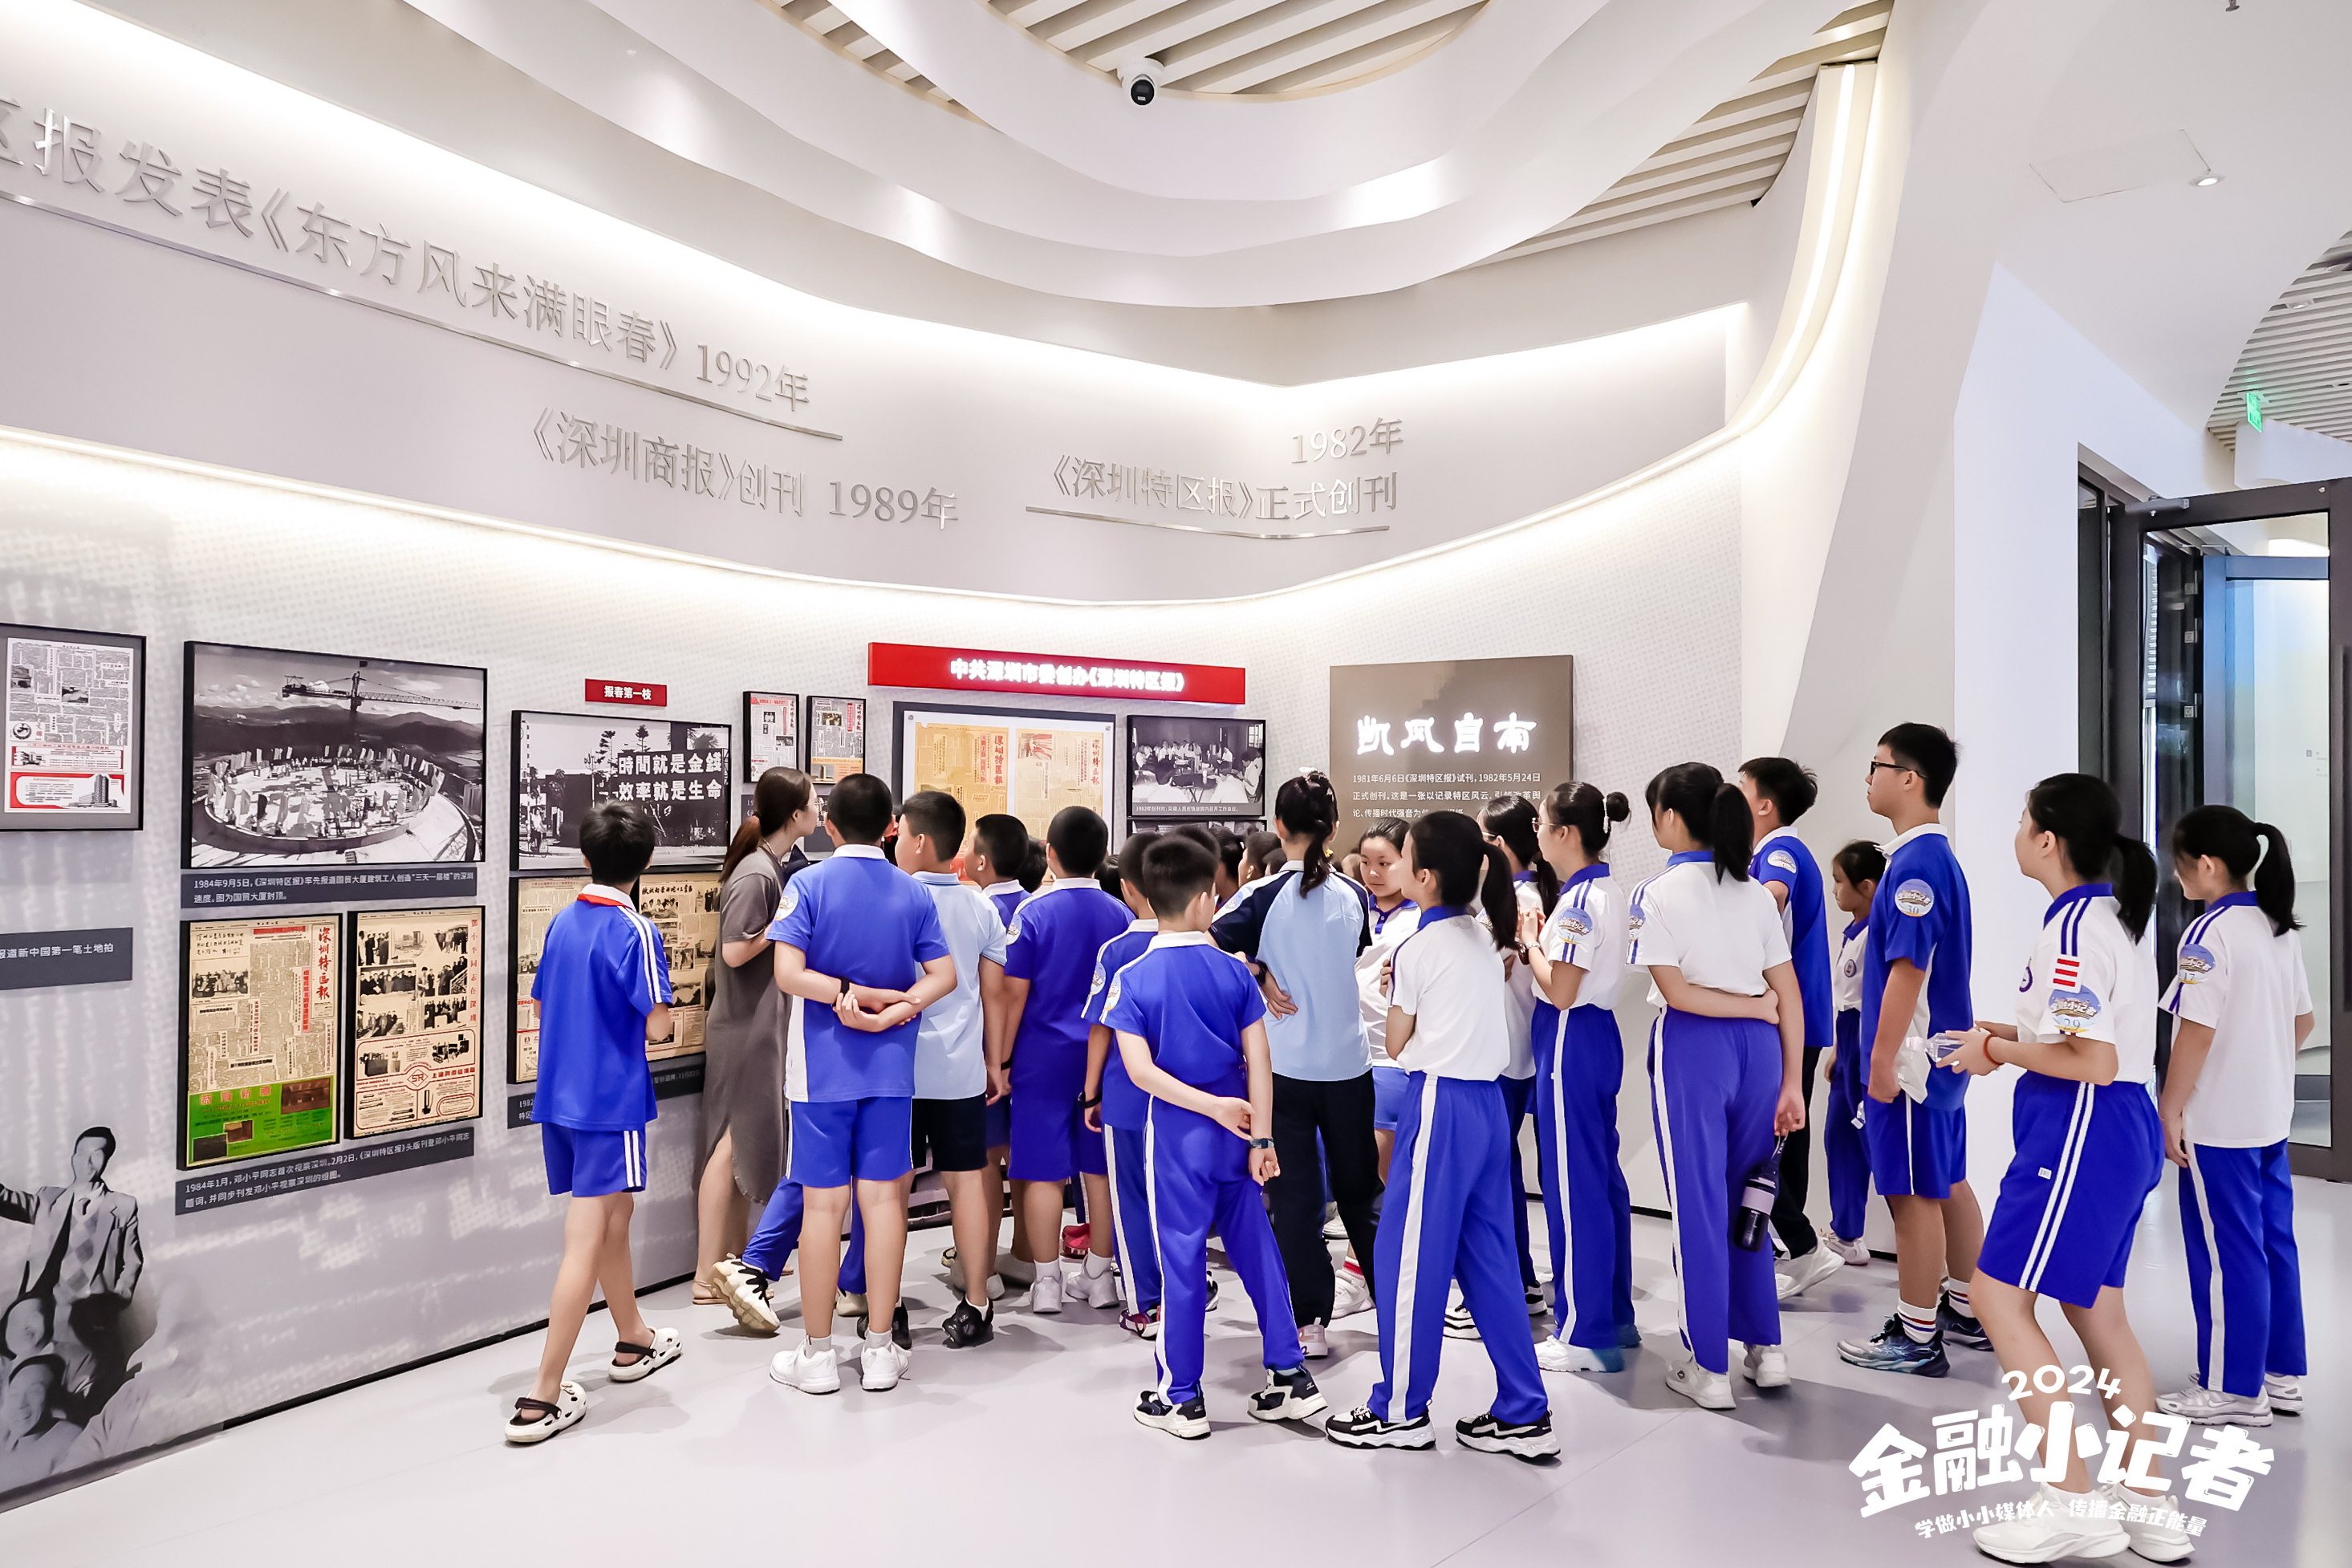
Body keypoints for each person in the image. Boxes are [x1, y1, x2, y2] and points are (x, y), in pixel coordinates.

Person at [1946, 774, 2186, 1566]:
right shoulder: (2105, 916)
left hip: (2079, 1132)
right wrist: (2004, 1037)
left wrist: (1996, 1050)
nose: (2015, 832)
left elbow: (2092, 1059)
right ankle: (2146, 1502)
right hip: (2113, 1129)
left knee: (1994, 1295)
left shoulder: (2074, 929)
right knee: (2098, 1313)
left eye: (2022, 820)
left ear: (2047, 839)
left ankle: (2071, 1501)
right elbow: (2085, 1038)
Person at [1324, 810, 1557, 1459]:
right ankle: (1524, 1409)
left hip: (1440, 1107)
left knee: (1406, 1259)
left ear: (1424, 875)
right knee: (1490, 1263)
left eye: (1400, 857)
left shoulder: (1419, 947)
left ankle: (1399, 1410)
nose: (1391, 867)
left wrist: (1399, 993)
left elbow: (1397, 1043)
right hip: (1487, 1109)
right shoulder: (1484, 935)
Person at [1102, 834, 1325, 1438]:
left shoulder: (1132, 976)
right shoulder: (1234, 971)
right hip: (1242, 1138)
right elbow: (1261, 1060)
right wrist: (1262, 1138)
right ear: (1205, 899)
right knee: (1258, 1253)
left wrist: (1210, 1108)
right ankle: (1289, 1373)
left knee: (1181, 1261)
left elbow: (1140, 1072)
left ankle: (1181, 1396)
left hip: (1177, 1140)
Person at [763, 773, 957, 1397]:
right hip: (890, 1070)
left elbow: (788, 973)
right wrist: (897, 1007)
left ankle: (818, 1355)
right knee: (883, 1206)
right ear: (891, 827)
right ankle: (878, 1349)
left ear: (829, 825)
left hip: (820, 1072)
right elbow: (944, 976)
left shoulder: (807, 884)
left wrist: (848, 994)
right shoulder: (911, 891)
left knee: (823, 1207)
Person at [1626, 764, 1805, 1410]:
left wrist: (1751, 1008)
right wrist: (1793, 1081)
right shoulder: (1753, 891)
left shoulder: (1654, 893)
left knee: (1697, 1207)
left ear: (1670, 818)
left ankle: (1707, 1367)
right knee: (1750, 1198)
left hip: (1693, 1049)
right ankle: (1765, 1349)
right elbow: (1787, 993)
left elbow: (1677, 994)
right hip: (1762, 1056)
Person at [510, 799, 683, 1445]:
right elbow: (658, 1026)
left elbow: (543, 1005)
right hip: (611, 1104)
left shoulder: (561, 922)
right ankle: (542, 1395)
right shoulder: (636, 929)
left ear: (584, 858)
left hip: (560, 1099)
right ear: (645, 864)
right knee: (585, 1237)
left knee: (614, 1214)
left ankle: (633, 1336)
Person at [1838, 722, 1988, 1378]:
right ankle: (1967, 1308)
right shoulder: (1929, 858)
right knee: (1946, 1181)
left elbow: (1907, 969)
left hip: (1910, 1064)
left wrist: (1880, 1062)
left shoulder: (1915, 865)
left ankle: (1917, 1334)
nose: (1867, 778)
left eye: (1875, 766)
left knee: (1911, 1196)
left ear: (1908, 778)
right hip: (1938, 1058)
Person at [1213, 772, 1379, 1360]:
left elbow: (1206, 945)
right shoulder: (1354, 895)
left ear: (1277, 827)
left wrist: (1256, 971)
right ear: (1333, 830)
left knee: (1296, 1201)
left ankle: (1309, 1322)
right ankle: (1398, 1308)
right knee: (1362, 1195)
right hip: (1350, 1067)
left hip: (1283, 1071)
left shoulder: (1258, 895)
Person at [2155, 804, 2310, 1426]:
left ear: (2207, 866)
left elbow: (2195, 1031)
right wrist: (2261, 1066)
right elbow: (2303, 1021)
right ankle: (2279, 1375)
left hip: (2218, 1124)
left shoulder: (2207, 934)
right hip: (2269, 1116)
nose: (2176, 877)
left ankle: (2233, 1389)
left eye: (2179, 865)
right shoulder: (2277, 926)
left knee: (2226, 1252)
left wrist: (2170, 1107)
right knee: (2273, 1243)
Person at [993, 806, 1132, 1313]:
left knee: (1043, 1170)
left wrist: (1001, 1061)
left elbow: (1013, 996)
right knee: (1100, 1170)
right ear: (1103, 855)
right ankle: (1099, 1275)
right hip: (1107, 1058)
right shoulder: (1123, 916)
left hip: (1041, 1057)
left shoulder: (1032, 914)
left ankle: (1047, 1282)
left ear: (1049, 853)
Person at [1521, 782, 1640, 1373]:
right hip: (1595, 1038)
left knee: (1573, 1187)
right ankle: (1613, 1316)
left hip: (1569, 1037)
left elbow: (1561, 990)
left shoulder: (1578, 903)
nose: (1537, 835)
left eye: (1540, 824)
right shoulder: (1605, 891)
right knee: (1600, 1179)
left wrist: (1528, 942)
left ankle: (1583, 1333)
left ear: (1564, 833)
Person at [695, 768, 819, 1312]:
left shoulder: (771, 866)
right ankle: (705, 1272)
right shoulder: (758, 874)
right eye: (813, 803)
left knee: (743, 1146)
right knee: (729, 1146)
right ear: (794, 815)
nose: (819, 811)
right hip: (743, 1029)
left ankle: (734, 1259)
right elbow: (734, 950)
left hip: (760, 1026)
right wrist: (785, 924)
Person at [895, 790, 1012, 1348]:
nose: (895, 842)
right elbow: (993, 995)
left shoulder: (895, 897)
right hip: (961, 1069)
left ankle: (886, 1304)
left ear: (920, 840)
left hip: (896, 1071)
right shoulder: (981, 906)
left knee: (889, 1189)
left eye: (900, 833)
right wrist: (995, 1063)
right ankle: (977, 1303)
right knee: (966, 1183)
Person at [1736, 757, 1842, 1301]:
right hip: (1794, 1014)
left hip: (1785, 1016)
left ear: (1764, 804)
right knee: (1786, 1136)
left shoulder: (1779, 851)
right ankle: (1796, 1246)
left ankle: (1802, 1245)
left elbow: (1772, 894)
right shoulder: (1775, 849)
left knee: (1766, 1134)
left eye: (1741, 789)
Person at [1464, 794, 1554, 1330]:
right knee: (1504, 1172)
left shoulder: (1513, 902)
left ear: (1496, 845)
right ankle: (1521, 1279)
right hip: (1521, 1055)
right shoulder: (1537, 893)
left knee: (1495, 1177)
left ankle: (1515, 1282)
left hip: (1500, 1060)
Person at [1082, 834, 1169, 1336]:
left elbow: (1101, 1027)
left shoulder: (1117, 951)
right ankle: (1188, 1291)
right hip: (1189, 1098)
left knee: (1131, 1197)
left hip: (1127, 1094)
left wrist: (1090, 1092)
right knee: (1177, 1197)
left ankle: (1147, 1305)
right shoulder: (1207, 944)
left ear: (1128, 887)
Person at [1, 1127, 142, 1417]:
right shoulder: (49, 1199)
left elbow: (133, 1260)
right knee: (27, 1386)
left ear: (107, 1159)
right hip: (43, 1311)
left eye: (96, 1155)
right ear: (72, 1156)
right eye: (80, 1154)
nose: (86, 1162)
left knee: (78, 1395)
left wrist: (117, 1299)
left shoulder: (123, 1206)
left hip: (88, 1316)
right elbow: (8, 1200)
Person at [967, 810, 1034, 1288]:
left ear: (982, 861)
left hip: (988, 1054)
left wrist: (997, 1059)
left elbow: (999, 993)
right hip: (1032, 1054)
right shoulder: (1034, 906)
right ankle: (1027, 1253)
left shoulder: (979, 909)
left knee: (986, 1159)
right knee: (1023, 1153)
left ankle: (982, 1266)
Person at [1819, 841, 1883, 1265]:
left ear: (1866, 887)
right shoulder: (1854, 931)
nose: (1835, 890)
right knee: (1839, 1136)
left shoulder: (1876, 934)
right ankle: (1847, 1233)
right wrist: (1838, 1051)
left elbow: (1872, 1005)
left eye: (1840, 882)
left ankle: (1926, 1250)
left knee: (1873, 1143)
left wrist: (1860, 1053)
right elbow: (1847, 1001)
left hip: (1866, 1041)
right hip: (1848, 1040)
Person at [1354, 819, 1420, 1187]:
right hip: (1351, 1054)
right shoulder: (1353, 908)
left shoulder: (1421, 916)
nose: (1373, 873)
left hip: (1395, 1055)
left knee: (1391, 1171)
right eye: (1365, 862)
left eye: (1384, 863)